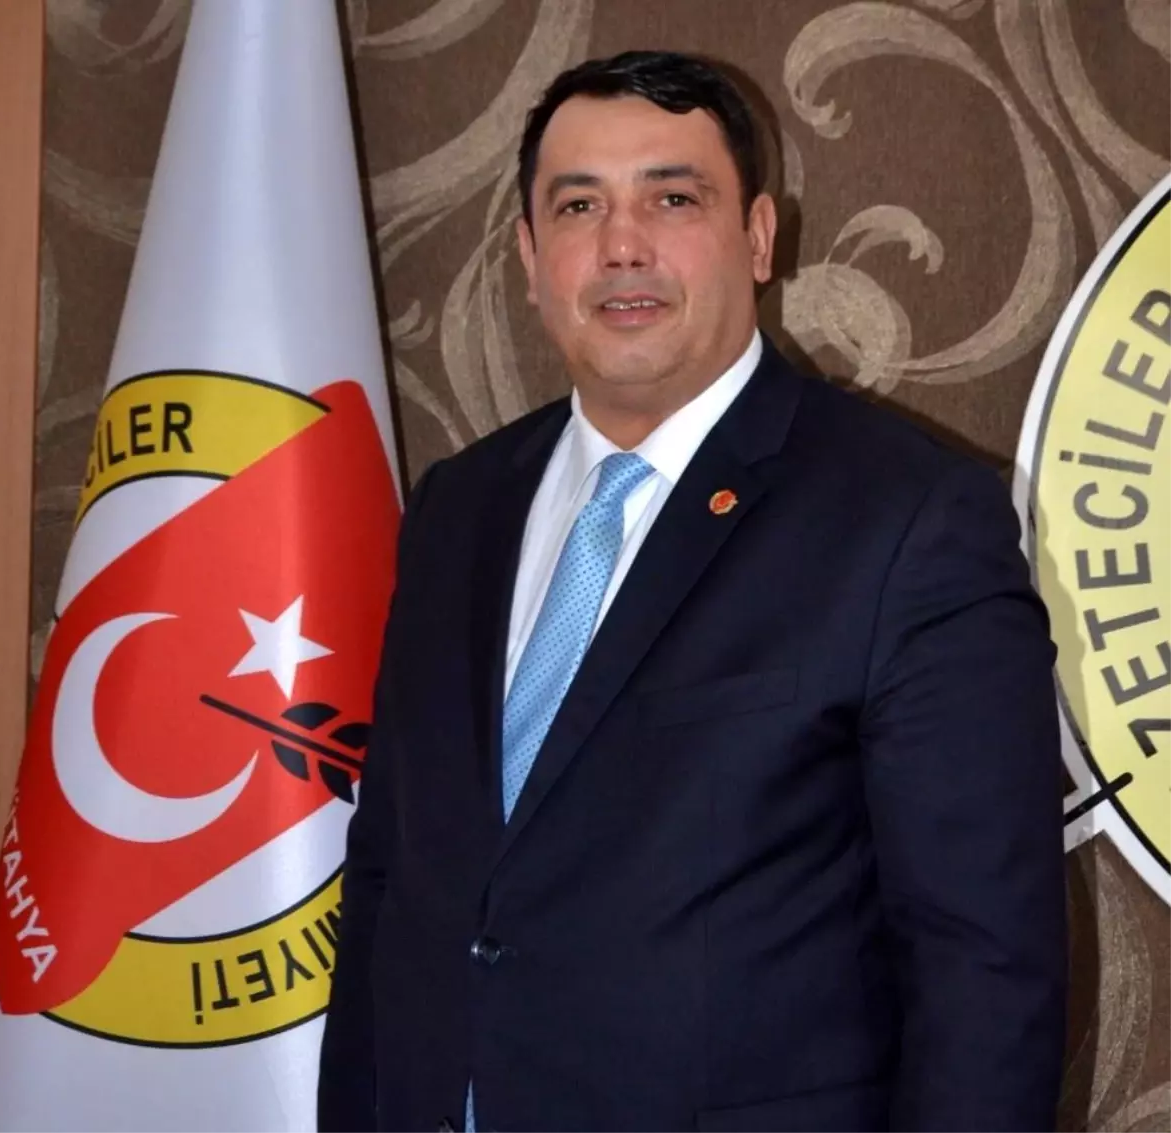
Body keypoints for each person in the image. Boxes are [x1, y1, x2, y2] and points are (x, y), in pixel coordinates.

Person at [319, 50, 1067, 1133]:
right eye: (579, 205)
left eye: (673, 199)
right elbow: (389, 872)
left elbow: (983, 968)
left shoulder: (909, 520)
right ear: (529, 256)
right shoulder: (456, 509)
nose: (622, 244)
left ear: (759, 238)